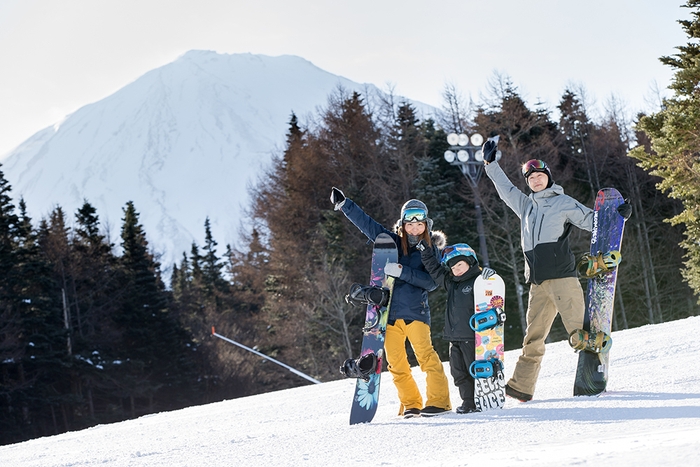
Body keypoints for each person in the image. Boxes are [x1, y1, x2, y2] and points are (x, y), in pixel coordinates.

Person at [480, 137, 631, 402]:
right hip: (537, 284)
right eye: (531, 178)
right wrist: (490, 164)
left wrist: (617, 215)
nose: (536, 181)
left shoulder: (563, 203)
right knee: (533, 339)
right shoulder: (525, 206)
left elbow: (592, 221)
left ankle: (593, 377)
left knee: (579, 333)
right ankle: (521, 386)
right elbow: (505, 189)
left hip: (563, 278)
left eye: (540, 176)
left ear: (548, 178)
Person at [330, 187, 452, 418]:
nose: (415, 228)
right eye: (410, 223)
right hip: (388, 315)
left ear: (426, 224)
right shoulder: (393, 243)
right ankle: (411, 404)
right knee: (396, 364)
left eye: (419, 223)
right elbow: (369, 225)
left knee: (426, 357)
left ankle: (440, 401)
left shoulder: (430, 251)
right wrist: (345, 205)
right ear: (403, 224)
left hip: (416, 312)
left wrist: (402, 272)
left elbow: (433, 283)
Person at [419, 241, 496, 414]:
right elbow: (435, 270)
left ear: (470, 261)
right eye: (453, 268)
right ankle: (468, 402)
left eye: (460, 265)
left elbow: (492, 293)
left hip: (472, 337)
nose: (457, 270)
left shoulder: (479, 281)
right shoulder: (451, 283)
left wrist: (490, 278)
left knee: (473, 369)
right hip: (454, 337)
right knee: (458, 372)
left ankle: (481, 398)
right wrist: (425, 253)